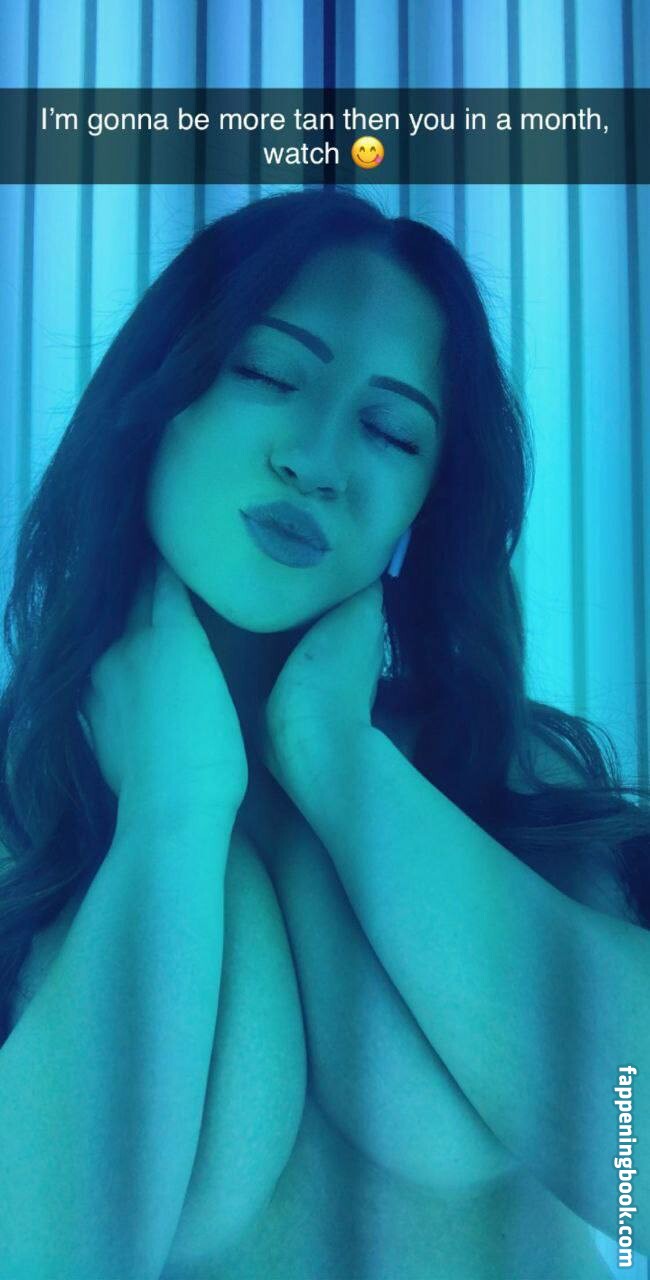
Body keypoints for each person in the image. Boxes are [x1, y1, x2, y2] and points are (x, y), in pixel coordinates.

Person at [0, 187, 648, 1280]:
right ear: (158, 400)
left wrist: (338, 761)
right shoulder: (23, 813)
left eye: (390, 430)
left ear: (422, 508)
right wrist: (174, 806)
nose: (316, 458)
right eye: (268, 373)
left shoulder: (501, 776)